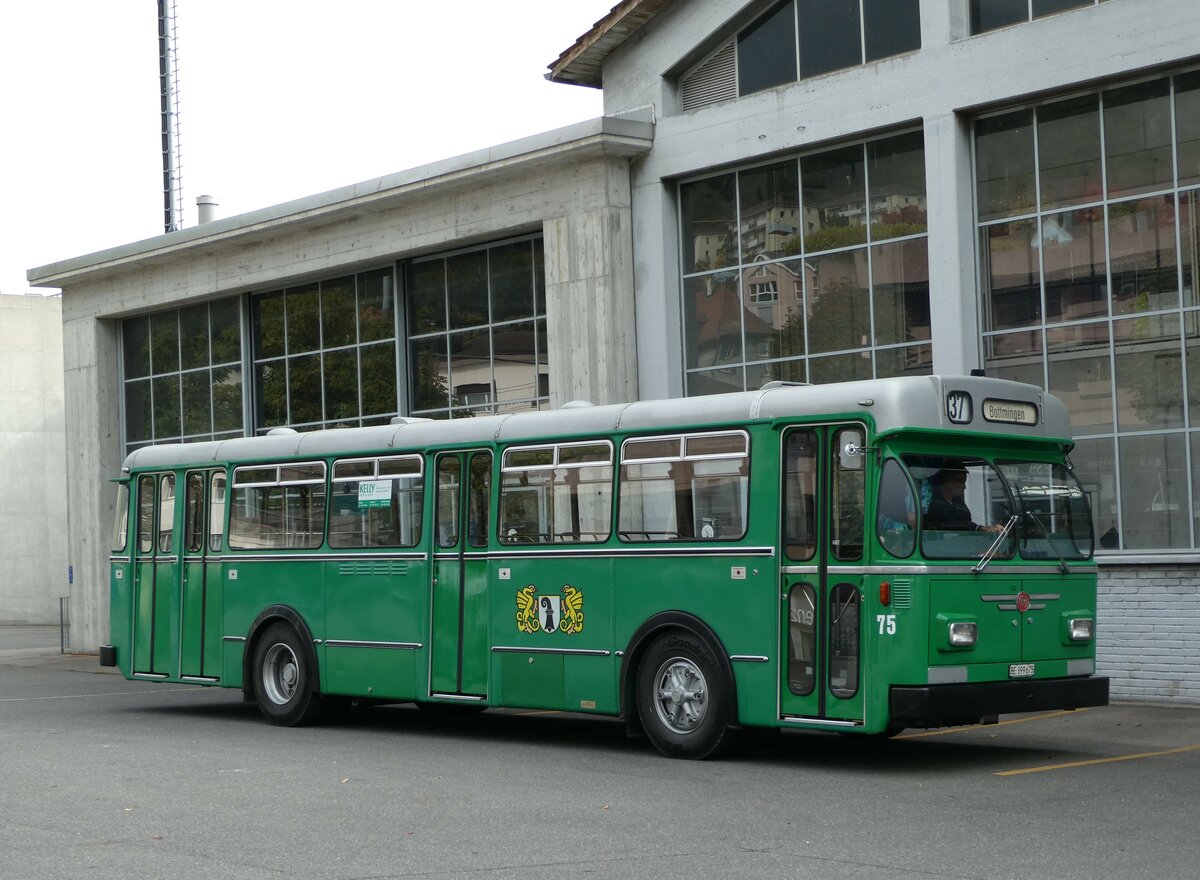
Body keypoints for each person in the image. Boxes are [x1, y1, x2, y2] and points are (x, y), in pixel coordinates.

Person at [923, 461, 1002, 533]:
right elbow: (946, 525)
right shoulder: (932, 503)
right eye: (961, 482)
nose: (964, 487)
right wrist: (978, 528)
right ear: (949, 481)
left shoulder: (958, 502)